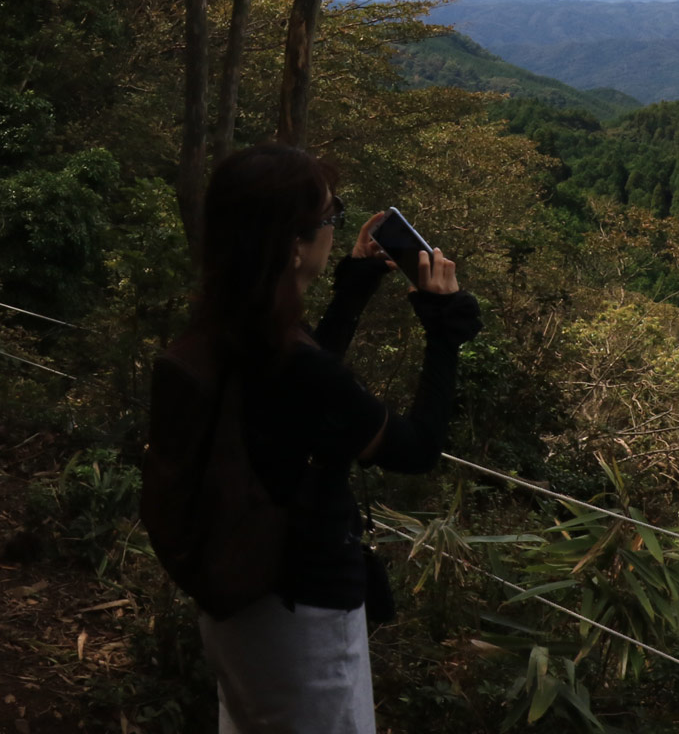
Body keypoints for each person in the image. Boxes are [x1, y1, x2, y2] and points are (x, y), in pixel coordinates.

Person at [186, 144, 482, 733]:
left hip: (233, 594)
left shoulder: (221, 329)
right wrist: (444, 331)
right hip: (302, 615)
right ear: (293, 243)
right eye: (329, 218)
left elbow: (302, 402)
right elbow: (418, 447)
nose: (332, 229)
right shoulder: (296, 364)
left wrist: (352, 291)